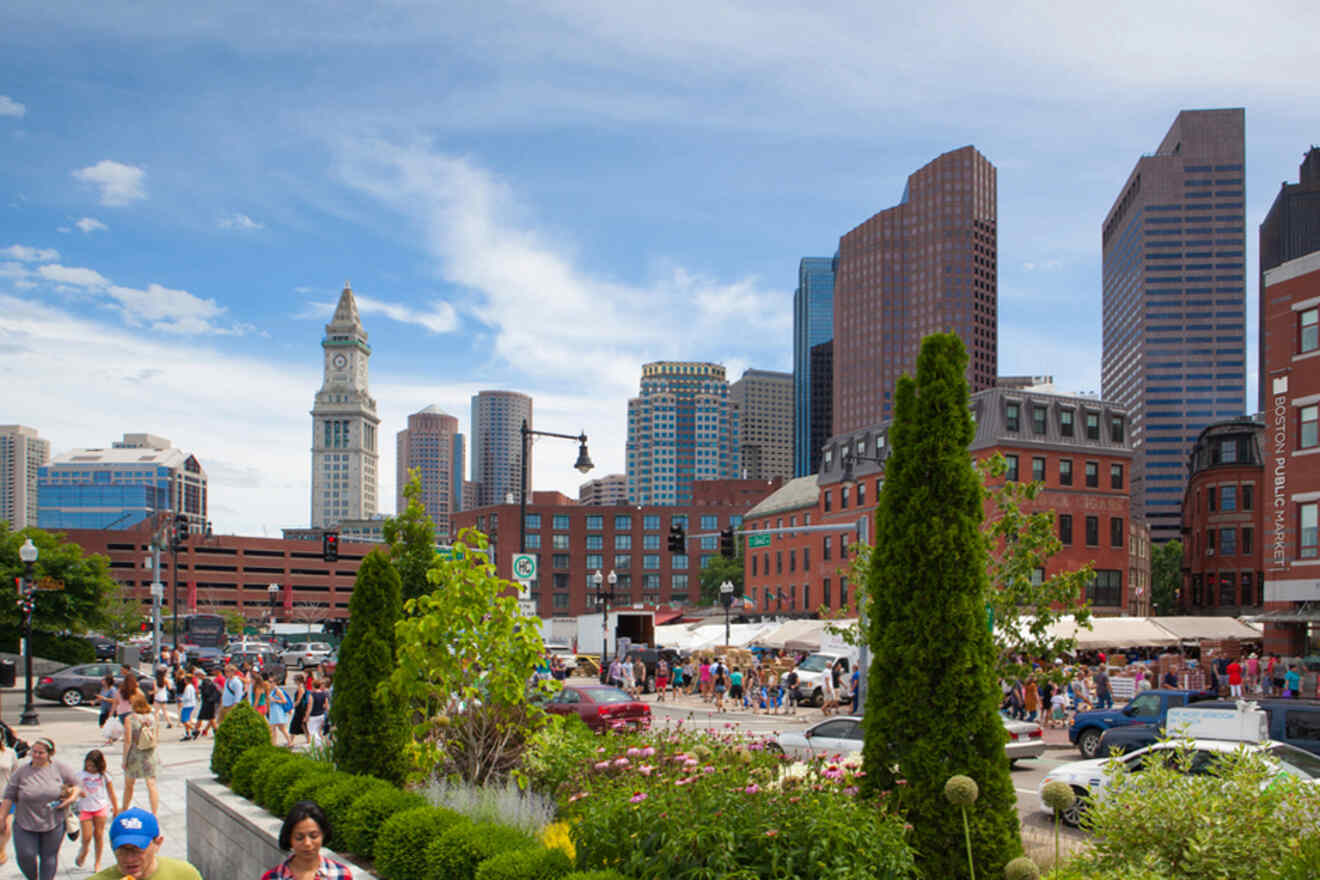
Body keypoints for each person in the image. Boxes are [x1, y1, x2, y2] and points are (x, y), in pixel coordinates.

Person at [1, 737, 83, 880]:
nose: (37, 755)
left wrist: (71, 797)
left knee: (49, 857)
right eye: (34, 752)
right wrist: (2, 817)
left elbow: (77, 785)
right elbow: (9, 795)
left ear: (50, 754)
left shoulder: (60, 768)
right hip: (24, 822)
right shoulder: (22, 772)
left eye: (41, 753)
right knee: (25, 855)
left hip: (53, 821)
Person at [90, 807, 202, 880]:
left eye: (137, 849)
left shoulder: (184, 875)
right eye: (122, 850)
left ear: (158, 843)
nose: (129, 859)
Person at [262, 801, 352, 880]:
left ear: (323, 835)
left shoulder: (341, 874)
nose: (307, 843)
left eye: (314, 836)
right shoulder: (273, 877)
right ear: (289, 838)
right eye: (299, 838)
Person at [74, 749, 118, 872]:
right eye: (88, 765)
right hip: (85, 808)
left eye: (93, 766)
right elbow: (73, 788)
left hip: (100, 807)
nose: (90, 768)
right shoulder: (80, 775)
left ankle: (97, 862)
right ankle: (84, 850)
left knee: (98, 835)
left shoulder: (104, 776)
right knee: (86, 837)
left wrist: (115, 808)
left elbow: (111, 792)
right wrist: (78, 793)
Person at [121, 693, 160, 816]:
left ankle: (124, 809)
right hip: (150, 754)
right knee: (151, 784)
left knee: (129, 784)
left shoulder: (130, 719)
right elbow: (156, 737)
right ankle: (154, 813)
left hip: (135, 755)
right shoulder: (154, 717)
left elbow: (128, 741)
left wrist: (124, 760)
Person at [0, 727, 17, 864]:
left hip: (6, 796)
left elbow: (15, 774)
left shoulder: (9, 753)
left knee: (7, 826)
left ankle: (1, 849)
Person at [267, 675, 294, 747]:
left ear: (275, 683)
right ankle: (289, 742)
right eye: (269, 681)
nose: (269, 683)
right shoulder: (271, 690)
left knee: (273, 728)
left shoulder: (277, 691)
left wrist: (275, 700)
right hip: (274, 710)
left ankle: (273, 744)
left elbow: (284, 701)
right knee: (281, 728)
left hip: (277, 711)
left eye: (271, 682)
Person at [195, 671, 220, 739]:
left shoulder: (205, 682)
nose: (197, 677)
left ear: (201, 675)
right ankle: (216, 732)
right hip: (210, 702)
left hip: (207, 703)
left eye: (197, 675)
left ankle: (195, 731)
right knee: (211, 718)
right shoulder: (209, 681)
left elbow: (207, 692)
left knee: (202, 717)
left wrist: (200, 689)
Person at [305, 677, 329, 746]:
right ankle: (318, 746)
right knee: (318, 731)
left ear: (313, 686)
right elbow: (326, 706)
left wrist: (306, 717)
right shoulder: (324, 694)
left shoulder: (312, 695)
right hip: (321, 715)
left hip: (313, 716)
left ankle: (320, 746)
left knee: (312, 732)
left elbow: (309, 707)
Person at [176, 670, 198, 740]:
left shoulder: (188, 687)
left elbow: (187, 697)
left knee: (184, 720)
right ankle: (187, 734)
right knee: (187, 720)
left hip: (187, 705)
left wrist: (181, 699)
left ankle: (194, 730)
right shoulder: (191, 686)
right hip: (191, 704)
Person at [289, 674, 309, 745]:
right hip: (301, 708)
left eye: (295, 680)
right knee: (302, 725)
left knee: (295, 724)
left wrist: (293, 706)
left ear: (298, 681)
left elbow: (299, 699)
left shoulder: (300, 687)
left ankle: (290, 741)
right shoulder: (301, 687)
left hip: (300, 709)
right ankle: (308, 740)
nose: (294, 681)